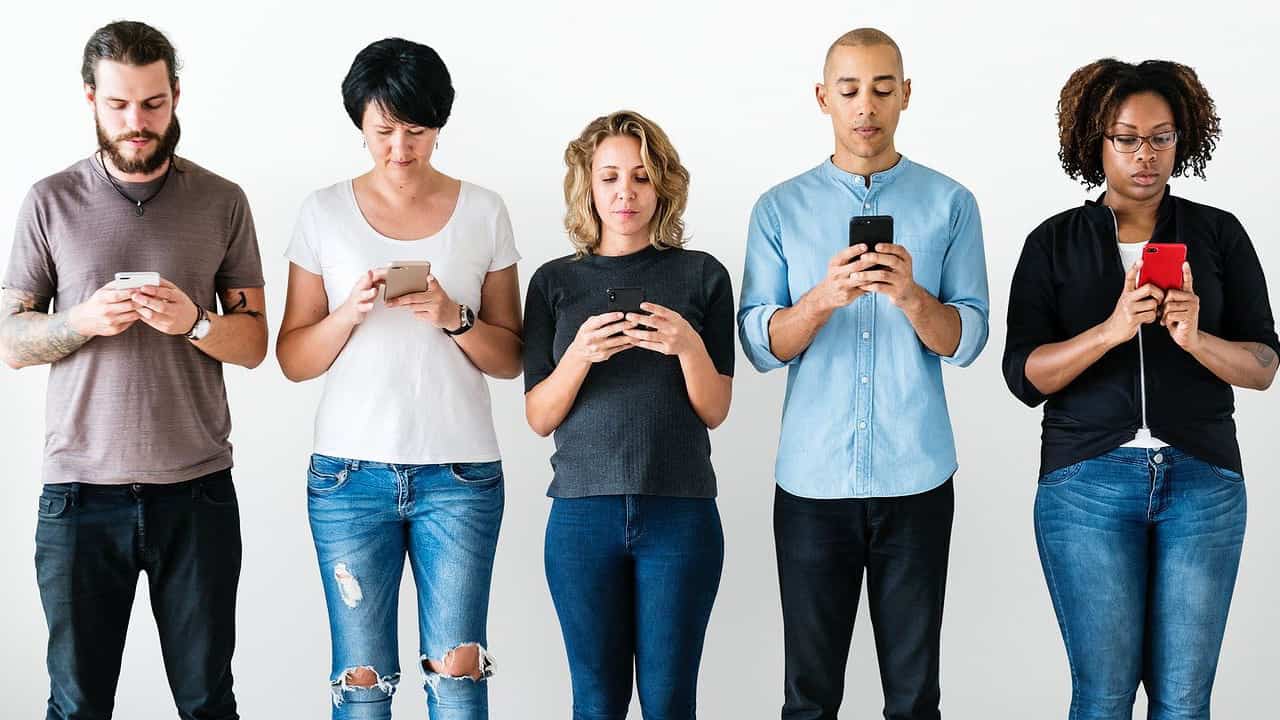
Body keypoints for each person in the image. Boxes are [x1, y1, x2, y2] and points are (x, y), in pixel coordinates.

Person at [0, 20, 267, 720]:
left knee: (208, 702)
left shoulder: (222, 200)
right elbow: (9, 339)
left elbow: (255, 342)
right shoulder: (48, 200)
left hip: (198, 494)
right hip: (79, 497)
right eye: (119, 104)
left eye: (152, 103)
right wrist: (81, 321)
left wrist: (195, 322)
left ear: (176, 96)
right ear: (90, 99)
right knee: (78, 704)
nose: (137, 122)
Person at [1003, 58, 1278, 719]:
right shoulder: (1053, 242)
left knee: (1184, 701)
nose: (1145, 155)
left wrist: (1197, 340)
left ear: (1184, 140)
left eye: (1161, 137)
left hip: (1203, 482)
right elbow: (1024, 377)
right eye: (1126, 138)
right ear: (1094, 142)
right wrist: (1110, 330)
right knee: (1103, 696)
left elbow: (1265, 366)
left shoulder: (1217, 233)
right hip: (1086, 483)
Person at [737, 28, 990, 720]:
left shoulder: (951, 203)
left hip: (917, 478)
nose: (866, 106)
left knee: (913, 699)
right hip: (813, 484)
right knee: (809, 698)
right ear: (823, 97)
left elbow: (967, 342)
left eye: (883, 88)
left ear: (906, 94)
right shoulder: (779, 208)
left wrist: (910, 294)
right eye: (849, 89)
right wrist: (822, 299)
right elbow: (760, 346)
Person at [276, 37, 522, 720]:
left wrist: (453, 315)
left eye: (417, 131)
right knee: (361, 680)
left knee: (458, 676)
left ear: (439, 126)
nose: (401, 148)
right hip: (349, 479)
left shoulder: (484, 210)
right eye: (384, 131)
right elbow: (294, 358)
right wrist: (348, 314)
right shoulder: (322, 212)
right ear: (361, 124)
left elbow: (511, 357)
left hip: (462, 476)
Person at [523, 110, 734, 719]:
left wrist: (687, 345)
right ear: (587, 184)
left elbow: (715, 409)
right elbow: (538, 416)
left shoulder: (702, 274)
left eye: (641, 177)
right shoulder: (553, 283)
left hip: (681, 512)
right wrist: (581, 356)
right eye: (610, 176)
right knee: (596, 703)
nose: (625, 192)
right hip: (581, 516)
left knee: (669, 703)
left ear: (662, 185)